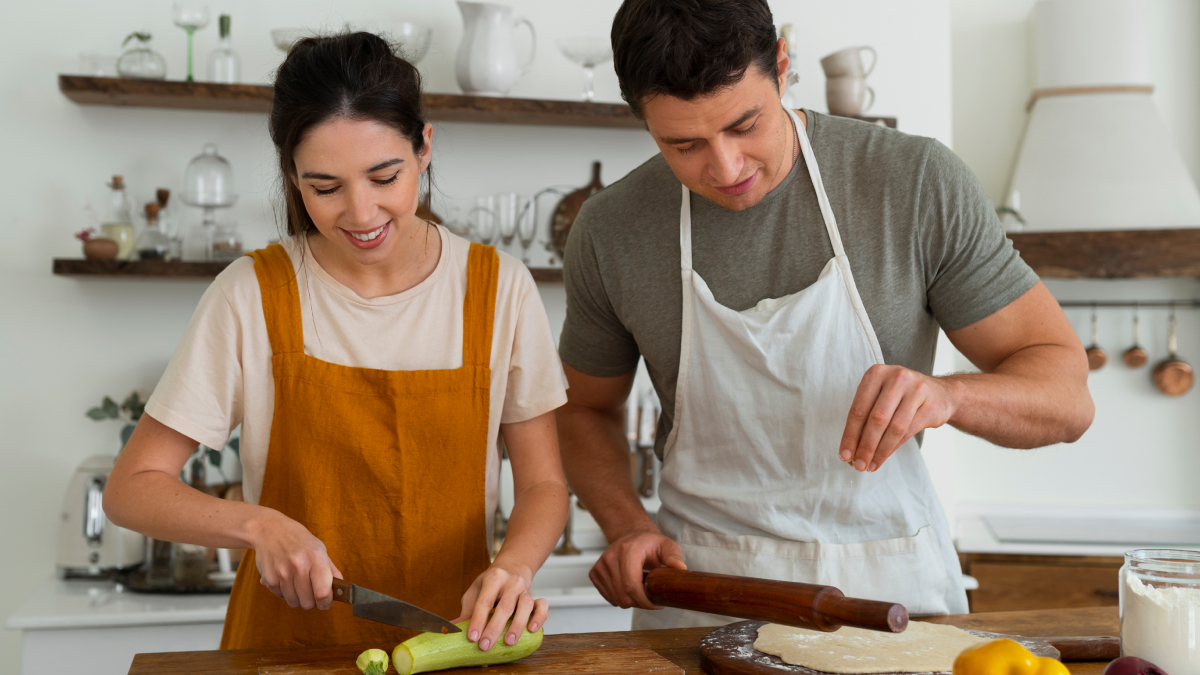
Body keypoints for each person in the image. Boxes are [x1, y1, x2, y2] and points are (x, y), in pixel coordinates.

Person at [556, 0, 1094, 628]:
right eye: (683, 145)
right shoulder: (611, 229)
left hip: (889, 595)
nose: (725, 167)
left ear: (782, 65)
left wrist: (950, 396)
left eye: (744, 124)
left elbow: (1067, 397)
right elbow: (584, 408)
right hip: (701, 594)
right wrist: (626, 527)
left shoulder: (912, 183)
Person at [104, 32, 569, 650]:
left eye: (384, 177)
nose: (361, 212)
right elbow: (131, 487)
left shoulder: (498, 289)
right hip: (282, 649)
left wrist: (514, 567)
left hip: (453, 643)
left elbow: (543, 486)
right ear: (292, 178)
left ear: (424, 147)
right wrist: (257, 525)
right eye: (325, 188)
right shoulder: (253, 293)